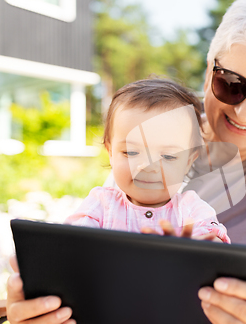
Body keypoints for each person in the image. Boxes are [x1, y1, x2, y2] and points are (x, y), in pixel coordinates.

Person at [5, 0, 246, 323]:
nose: (244, 112)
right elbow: (93, 243)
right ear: (209, 71)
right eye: (232, 83)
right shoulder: (156, 134)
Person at [66, 78, 230, 243]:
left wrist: (197, 246)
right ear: (110, 153)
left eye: (167, 156)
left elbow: (217, 246)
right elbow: (70, 243)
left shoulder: (190, 209)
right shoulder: (101, 204)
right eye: (131, 152)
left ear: (188, 162)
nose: (148, 166)